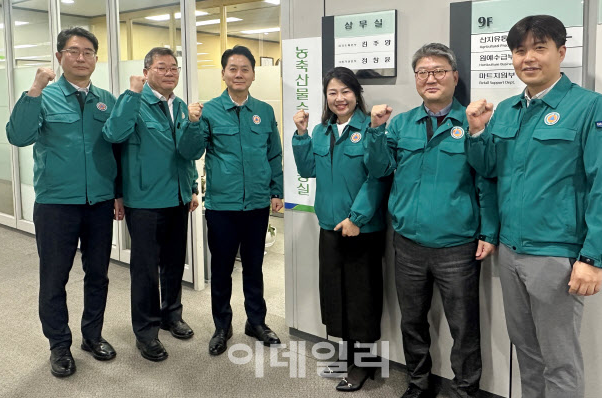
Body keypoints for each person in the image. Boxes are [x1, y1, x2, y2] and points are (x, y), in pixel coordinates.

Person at [465, 15, 602, 398]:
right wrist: (476, 131)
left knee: (560, 360)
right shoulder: (506, 110)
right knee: (527, 353)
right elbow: (489, 170)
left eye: (539, 47)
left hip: (557, 255)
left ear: (561, 52)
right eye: (520, 50)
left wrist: (594, 257)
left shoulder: (591, 107)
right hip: (510, 251)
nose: (528, 58)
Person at [366, 43, 499, 398]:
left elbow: (487, 177)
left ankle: (466, 389)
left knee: (464, 325)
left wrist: (489, 231)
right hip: (408, 243)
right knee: (412, 321)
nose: (431, 78)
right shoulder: (401, 124)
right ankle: (418, 383)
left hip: (457, 245)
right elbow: (379, 170)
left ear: (455, 77)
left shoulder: (471, 122)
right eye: (423, 72)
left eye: (439, 70)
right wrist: (376, 131)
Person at [6, 27, 122, 378]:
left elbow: (116, 149)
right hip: (56, 203)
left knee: (98, 275)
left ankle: (92, 336)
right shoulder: (43, 96)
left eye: (88, 51)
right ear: (59, 57)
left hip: (99, 202)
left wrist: (118, 193)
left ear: (96, 59)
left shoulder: (107, 100)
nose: (81, 57)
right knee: (54, 278)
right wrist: (35, 89)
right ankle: (59, 345)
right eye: (73, 51)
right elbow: (19, 135)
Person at [178, 45, 283, 356]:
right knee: (222, 269)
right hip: (223, 205)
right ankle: (222, 325)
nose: (239, 74)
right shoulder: (207, 110)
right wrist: (193, 123)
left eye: (245, 69)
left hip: (256, 205)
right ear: (223, 74)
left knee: (254, 267)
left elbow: (273, 153)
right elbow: (190, 153)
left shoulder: (264, 111)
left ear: (253, 74)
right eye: (232, 69)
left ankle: (256, 322)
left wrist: (276, 190)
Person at [292, 67, 388, 392]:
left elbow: (378, 176)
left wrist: (357, 218)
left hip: (361, 229)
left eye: (345, 91)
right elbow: (307, 170)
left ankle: (364, 365)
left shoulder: (371, 129)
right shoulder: (322, 131)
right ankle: (348, 357)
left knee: (362, 297)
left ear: (356, 93)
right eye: (332, 92)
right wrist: (302, 134)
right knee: (336, 295)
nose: (339, 98)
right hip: (329, 227)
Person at [103, 47, 199, 362]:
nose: (170, 72)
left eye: (174, 67)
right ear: (146, 72)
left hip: (177, 198)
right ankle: (146, 332)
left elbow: (186, 153)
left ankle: (171, 314)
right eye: (161, 67)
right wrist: (132, 94)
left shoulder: (182, 106)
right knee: (145, 270)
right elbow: (114, 138)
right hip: (143, 199)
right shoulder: (132, 102)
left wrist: (193, 188)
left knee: (173, 262)